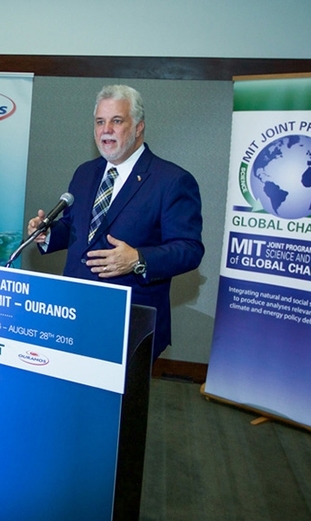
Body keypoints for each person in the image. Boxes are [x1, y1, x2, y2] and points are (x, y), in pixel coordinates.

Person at [27, 84, 204, 359]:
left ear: (139, 127)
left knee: (120, 404)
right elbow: (77, 229)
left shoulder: (171, 181)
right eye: (100, 122)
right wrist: (48, 233)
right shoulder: (85, 173)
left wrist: (137, 258)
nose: (105, 129)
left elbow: (190, 250)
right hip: (73, 314)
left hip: (129, 324)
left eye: (116, 121)